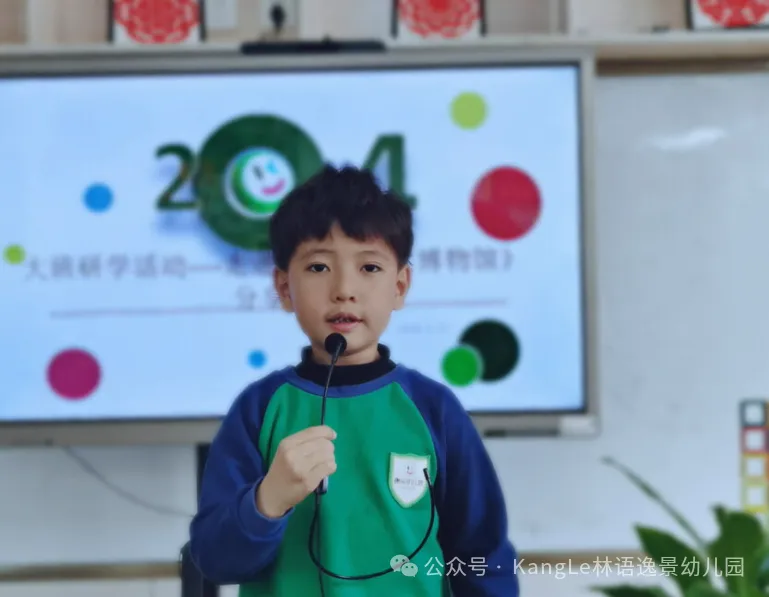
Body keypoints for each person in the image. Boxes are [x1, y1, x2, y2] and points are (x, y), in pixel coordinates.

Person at [189, 165, 519, 597]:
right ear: (284, 288)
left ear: (400, 286)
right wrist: (267, 501)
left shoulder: (433, 410)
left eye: (369, 267)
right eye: (319, 267)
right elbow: (215, 561)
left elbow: (484, 554)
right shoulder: (259, 409)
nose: (344, 289)